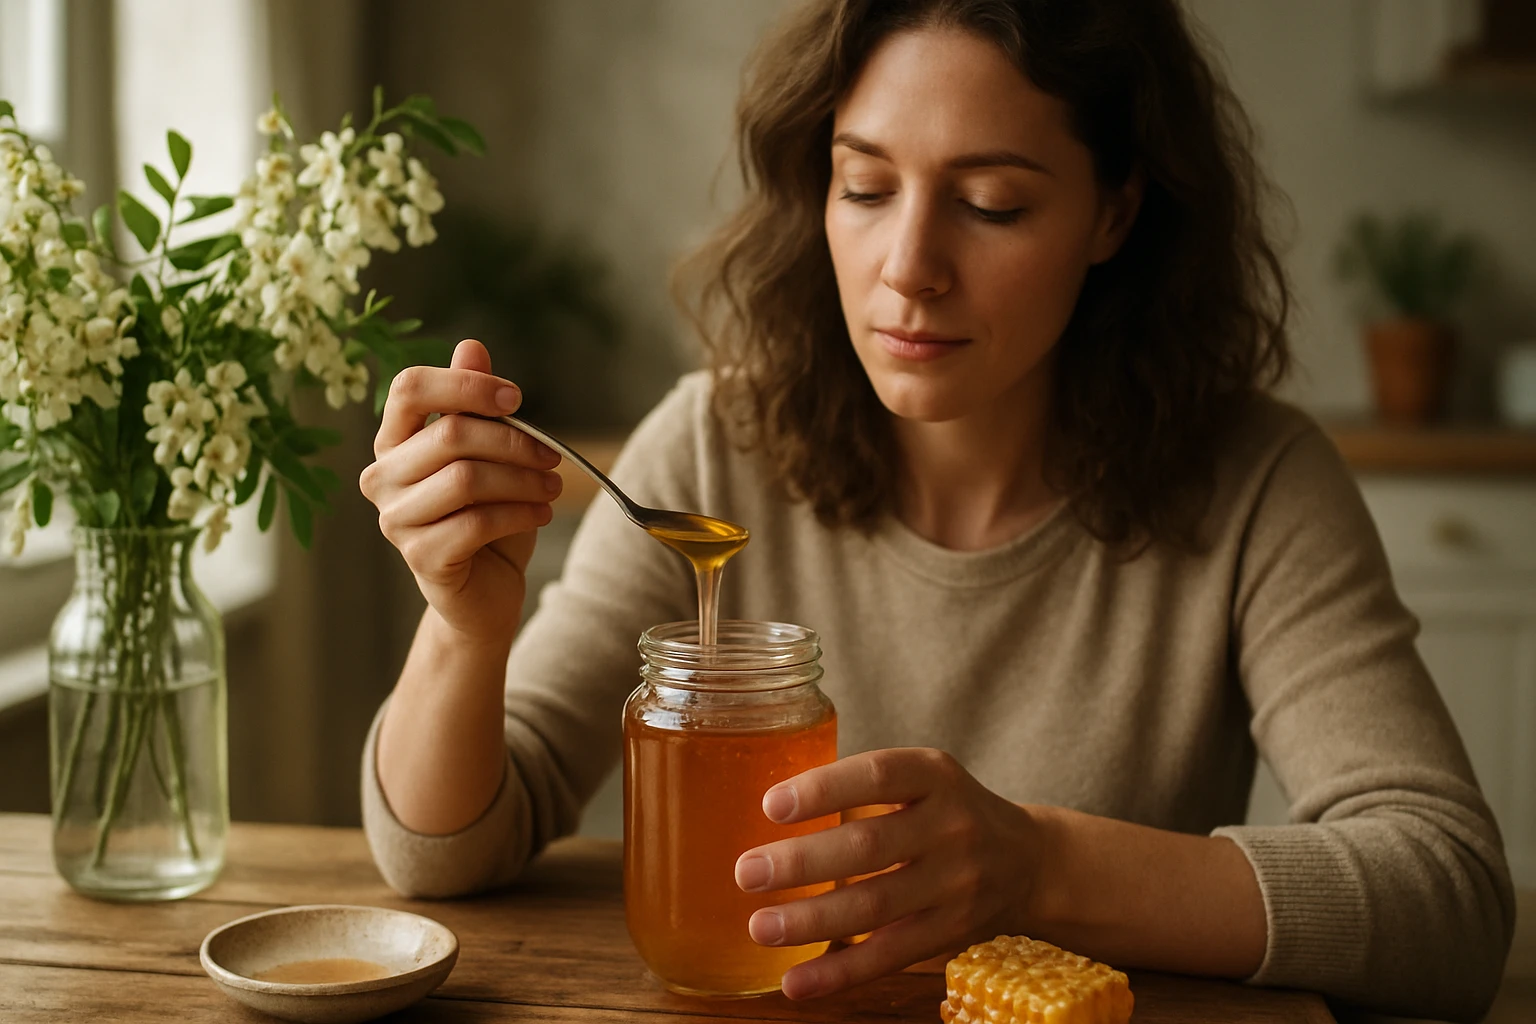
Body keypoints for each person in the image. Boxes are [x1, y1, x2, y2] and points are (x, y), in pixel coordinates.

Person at [356, 0, 1514, 1019]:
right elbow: (438, 850)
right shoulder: (712, 447)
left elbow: (1445, 902)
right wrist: (465, 626)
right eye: (864, 187)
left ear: (1114, 214)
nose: (908, 264)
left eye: (993, 204)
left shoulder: (1257, 483)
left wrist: (1037, 866)